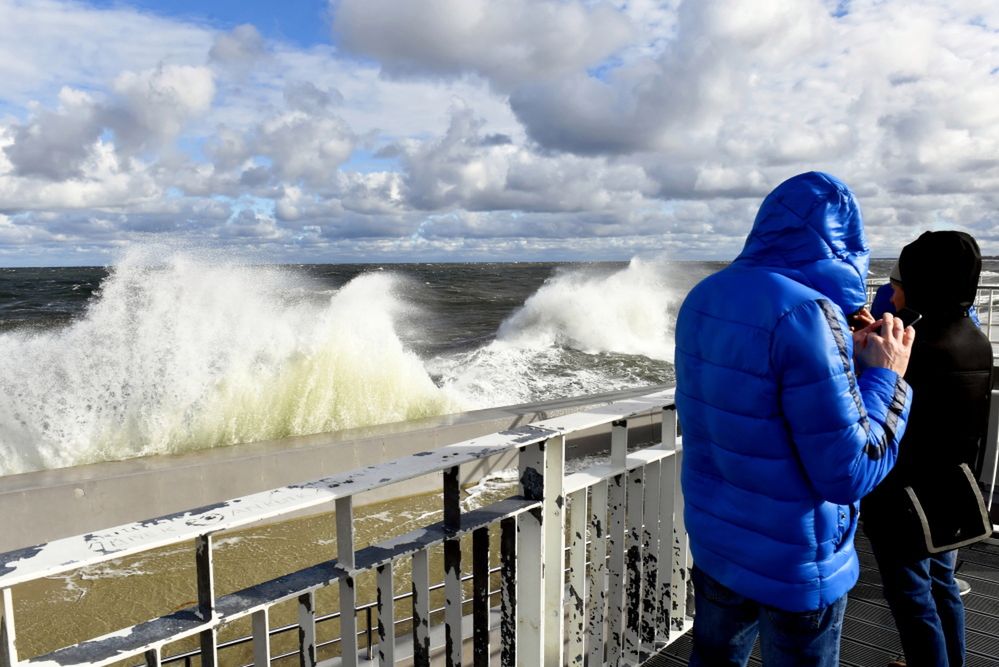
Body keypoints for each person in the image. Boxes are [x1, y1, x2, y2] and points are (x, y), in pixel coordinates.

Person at [674, 171, 915, 667]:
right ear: (846, 241)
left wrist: (843, 352)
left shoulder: (704, 296)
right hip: (795, 561)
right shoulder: (810, 314)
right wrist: (886, 375)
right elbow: (849, 472)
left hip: (719, 543)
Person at [861, 231, 993, 667]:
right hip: (950, 489)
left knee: (912, 598)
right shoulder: (975, 338)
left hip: (904, 496)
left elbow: (880, 403)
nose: (895, 294)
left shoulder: (912, 346)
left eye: (899, 285)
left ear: (921, 284)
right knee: (942, 585)